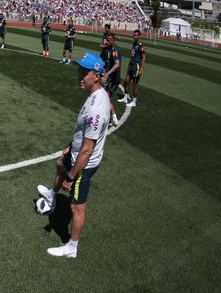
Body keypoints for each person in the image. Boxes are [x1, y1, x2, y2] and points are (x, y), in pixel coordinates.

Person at [36, 52, 110, 259]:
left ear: (96, 75)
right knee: (60, 164)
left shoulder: (97, 108)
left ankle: (71, 247)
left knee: (76, 205)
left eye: (84, 72)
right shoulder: (96, 96)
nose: (79, 75)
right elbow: (83, 134)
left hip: (83, 162)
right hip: (76, 153)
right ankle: (52, 195)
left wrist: (71, 177)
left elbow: (88, 149)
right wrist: (70, 147)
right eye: (79, 70)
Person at [118, 29, 146, 107]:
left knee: (135, 84)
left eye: (136, 35)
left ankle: (134, 101)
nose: (134, 36)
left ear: (140, 36)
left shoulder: (140, 46)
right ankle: (126, 97)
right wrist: (129, 65)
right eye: (133, 35)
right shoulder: (134, 44)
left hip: (136, 66)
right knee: (126, 81)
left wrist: (141, 69)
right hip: (131, 65)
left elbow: (144, 57)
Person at [101, 33, 121, 126]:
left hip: (114, 80)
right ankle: (111, 119)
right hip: (111, 79)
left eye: (109, 41)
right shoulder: (111, 49)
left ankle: (114, 118)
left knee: (105, 98)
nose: (107, 42)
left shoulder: (115, 50)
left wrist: (106, 75)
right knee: (105, 97)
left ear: (113, 40)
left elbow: (117, 64)